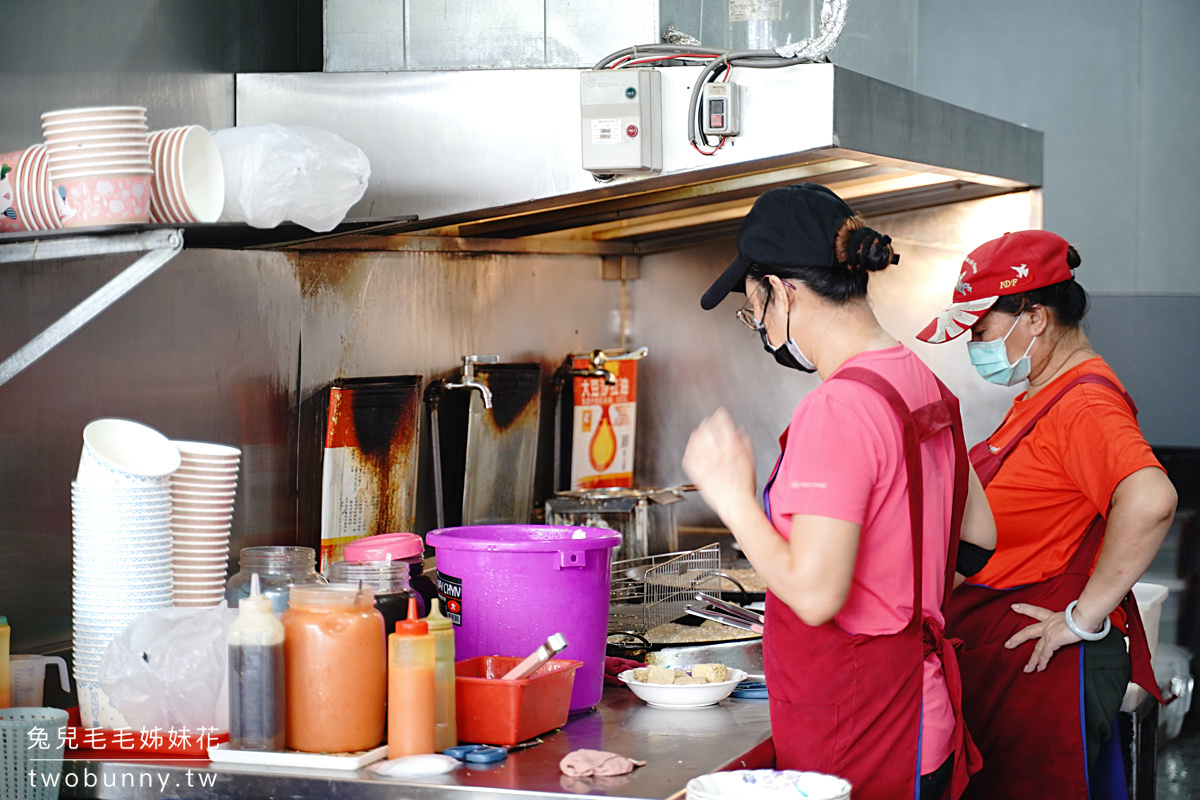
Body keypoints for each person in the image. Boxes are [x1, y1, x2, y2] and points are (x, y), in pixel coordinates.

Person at [683, 183, 994, 800]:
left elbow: (817, 596)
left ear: (783, 291)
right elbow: (979, 537)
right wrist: (902, 602)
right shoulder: (917, 378)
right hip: (920, 715)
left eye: (755, 311)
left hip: (861, 730)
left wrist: (733, 498)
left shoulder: (840, 407)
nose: (763, 329)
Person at [916, 230, 1177, 799]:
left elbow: (1152, 499)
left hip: (1047, 666)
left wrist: (1083, 617)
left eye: (980, 333)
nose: (974, 349)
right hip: (1011, 657)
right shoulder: (1044, 392)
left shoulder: (1084, 402)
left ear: (1033, 317)